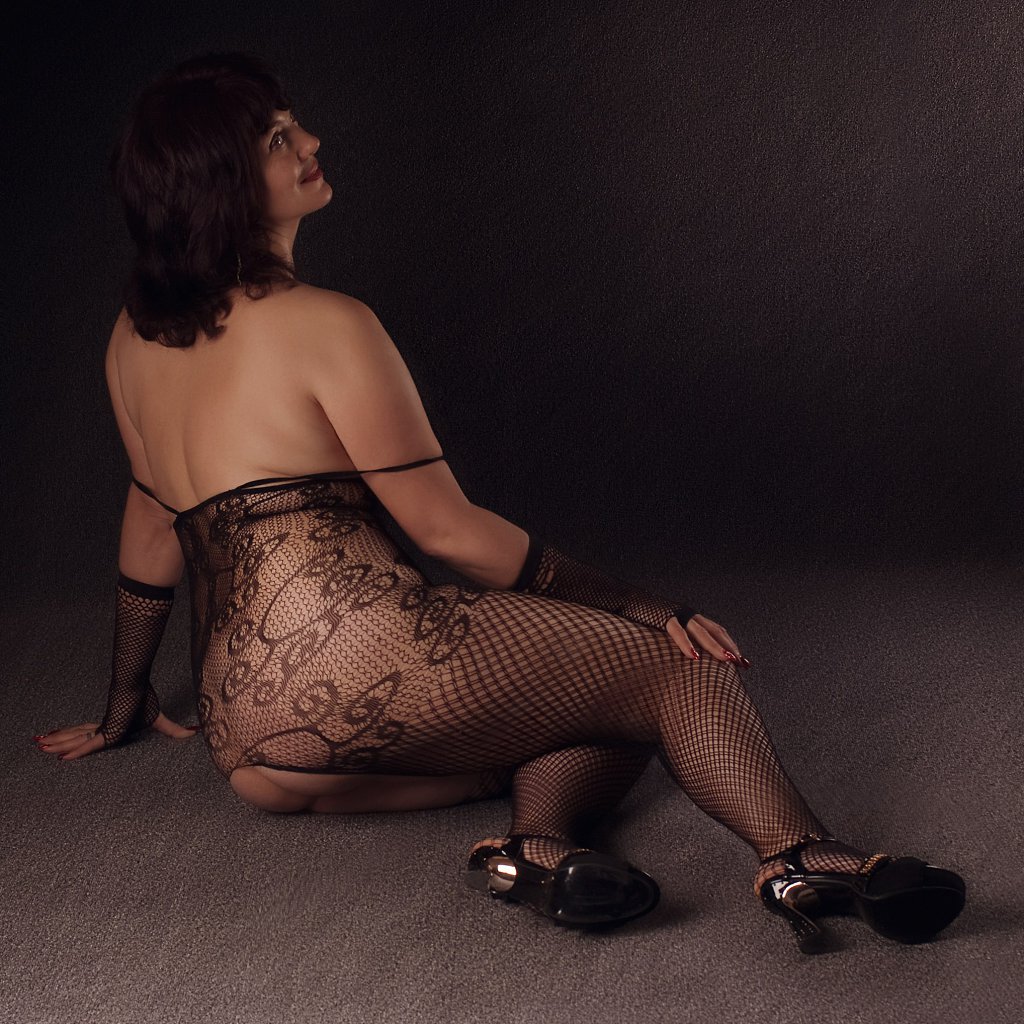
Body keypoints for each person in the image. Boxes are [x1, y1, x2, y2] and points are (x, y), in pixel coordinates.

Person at [33, 51, 965, 952]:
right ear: (221, 186)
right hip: (372, 666)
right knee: (672, 673)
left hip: (253, 749)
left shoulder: (133, 337)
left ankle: (537, 848)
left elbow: (151, 520)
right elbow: (449, 531)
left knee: (584, 706)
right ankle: (798, 856)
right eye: (278, 138)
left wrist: (124, 700)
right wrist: (642, 606)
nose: (310, 140)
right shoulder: (326, 323)